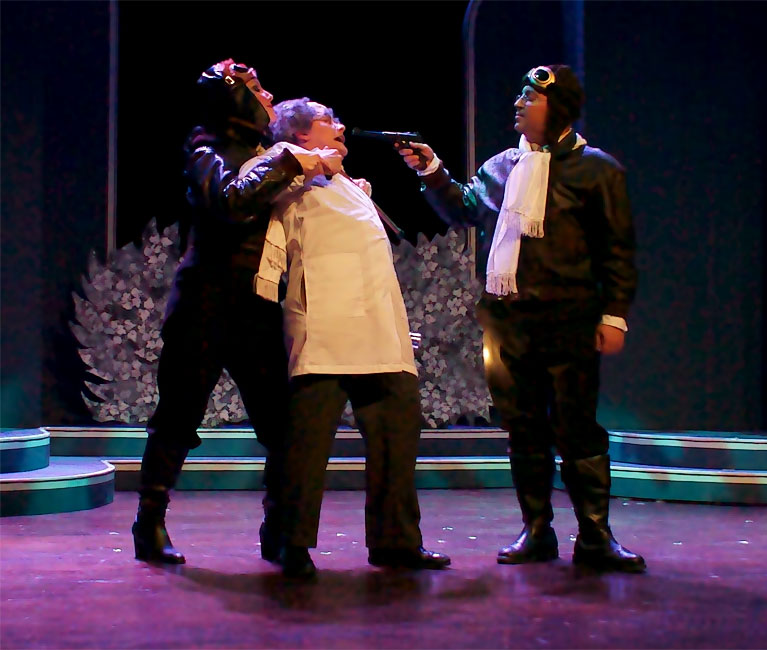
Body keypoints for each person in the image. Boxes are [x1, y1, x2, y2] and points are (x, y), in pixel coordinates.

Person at [396, 65, 645, 572]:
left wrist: (614, 314)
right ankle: (536, 530)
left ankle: (595, 535)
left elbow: (617, 249)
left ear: (558, 107)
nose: (518, 103)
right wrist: (432, 172)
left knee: (577, 426)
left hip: (570, 317)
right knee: (524, 426)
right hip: (509, 320)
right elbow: (465, 208)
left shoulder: (597, 170)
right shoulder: (503, 166)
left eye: (530, 97)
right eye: (520, 95)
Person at [132, 61, 342, 565]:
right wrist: (290, 162)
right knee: (177, 417)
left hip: (258, 304)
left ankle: (280, 530)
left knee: (283, 424)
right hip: (205, 302)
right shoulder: (205, 147)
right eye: (256, 88)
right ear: (233, 97)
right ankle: (149, 522)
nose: (268, 95)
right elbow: (229, 201)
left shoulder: (272, 153)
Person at [240, 98, 450, 578]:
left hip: (380, 327)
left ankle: (396, 541)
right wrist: (304, 161)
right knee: (306, 446)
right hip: (324, 326)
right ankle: (290, 541)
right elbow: (255, 186)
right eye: (327, 121)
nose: (339, 127)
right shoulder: (282, 170)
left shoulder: (346, 183)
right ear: (300, 134)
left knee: (397, 439)